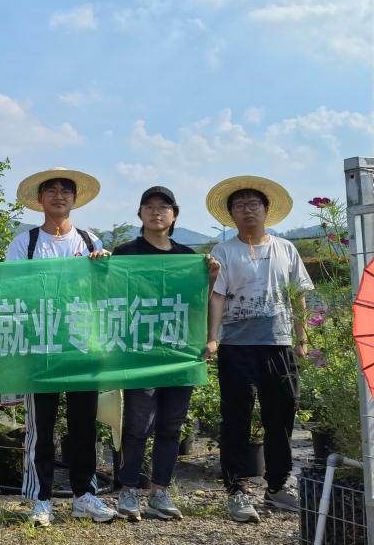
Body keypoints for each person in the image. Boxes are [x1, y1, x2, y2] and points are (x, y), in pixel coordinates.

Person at [5, 167, 116, 526]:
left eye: (65, 191)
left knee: (84, 424)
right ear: (40, 199)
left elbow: (105, 293)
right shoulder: (25, 243)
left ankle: (85, 495)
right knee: (42, 426)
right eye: (51, 190)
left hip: (82, 345)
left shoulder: (89, 241)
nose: (58, 196)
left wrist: (103, 269)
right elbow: (11, 290)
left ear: (74, 199)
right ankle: (41, 498)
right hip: (41, 346)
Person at [204, 176, 313, 523]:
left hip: (278, 344)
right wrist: (213, 337)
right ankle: (236, 489)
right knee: (236, 418)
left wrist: (302, 338)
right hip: (236, 346)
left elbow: (298, 296)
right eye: (239, 206)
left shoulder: (285, 249)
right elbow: (217, 296)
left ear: (266, 211)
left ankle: (278, 485)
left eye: (254, 204)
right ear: (232, 215)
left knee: (281, 417)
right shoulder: (224, 251)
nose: (247, 210)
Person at [111, 186, 219, 521]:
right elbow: (109, 294)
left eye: (163, 207)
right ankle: (128, 491)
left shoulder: (187, 257)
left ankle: (160, 491)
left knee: (172, 425)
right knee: (137, 423)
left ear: (174, 215)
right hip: (140, 352)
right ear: (140, 214)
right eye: (149, 206)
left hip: (178, 351)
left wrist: (211, 278)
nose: (156, 212)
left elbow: (198, 302)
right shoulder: (125, 253)